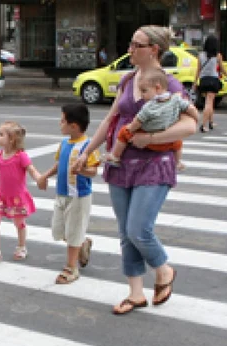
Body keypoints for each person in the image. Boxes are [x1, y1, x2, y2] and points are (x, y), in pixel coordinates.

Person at [74, 25, 196, 315]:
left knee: (138, 229)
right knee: (126, 233)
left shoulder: (168, 84)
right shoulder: (129, 79)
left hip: (154, 164)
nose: (129, 49)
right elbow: (111, 118)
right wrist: (87, 151)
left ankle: (163, 269)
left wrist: (150, 139)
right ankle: (136, 293)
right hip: (121, 165)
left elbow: (190, 124)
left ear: (153, 48)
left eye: (136, 44)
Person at [37, 104, 100, 284]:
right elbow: (59, 165)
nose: (59, 124)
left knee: (72, 232)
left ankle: (71, 268)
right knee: (59, 230)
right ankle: (82, 243)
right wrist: (44, 176)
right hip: (62, 193)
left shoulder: (88, 146)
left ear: (73, 126)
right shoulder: (64, 143)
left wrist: (82, 171)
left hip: (79, 197)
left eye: (63, 121)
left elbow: (94, 171)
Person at [105, 68, 198, 171]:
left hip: (148, 139)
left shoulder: (150, 106)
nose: (142, 95)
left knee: (123, 132)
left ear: (157, 88)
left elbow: (138, 120)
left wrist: (131, 128)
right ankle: (177, 162)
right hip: (167, 141)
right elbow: (190, 108)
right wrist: (196, 117)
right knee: (178, 142)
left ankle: (115, 156)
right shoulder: (176, 99)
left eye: (144, 91)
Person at [0, 121, 42, 265]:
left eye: (1, 134)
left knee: (19, 223)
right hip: (1, 195)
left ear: (12, 139)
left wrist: (40, 178)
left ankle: (21, 247)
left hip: (16, 197)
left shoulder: (21, 156)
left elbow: (31, 169)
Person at [194, 34, 227, 133]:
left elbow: (198, 70)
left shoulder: (200, 55)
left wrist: (194, 83)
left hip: (203, 80)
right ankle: (204, 125)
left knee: (209, 101)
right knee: (209, 102)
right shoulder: (218, 55)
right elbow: (222, 69)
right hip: (213, 80)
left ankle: (211, 122)